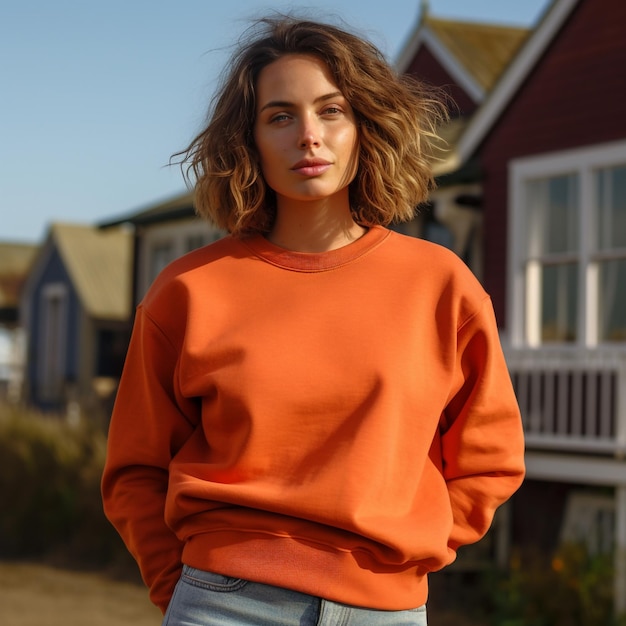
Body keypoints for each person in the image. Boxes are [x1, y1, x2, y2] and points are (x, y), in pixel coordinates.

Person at [101, 15, 525, 626]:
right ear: (248, 140)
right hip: (224, 603)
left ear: (364, 127)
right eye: (280, 116)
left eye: (332, 111)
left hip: (386, 608)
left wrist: (405, 553)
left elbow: (490, 458)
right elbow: (134, 469)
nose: (309, 136)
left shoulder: (441, 285)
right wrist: (182, 590)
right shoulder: (189, 290)